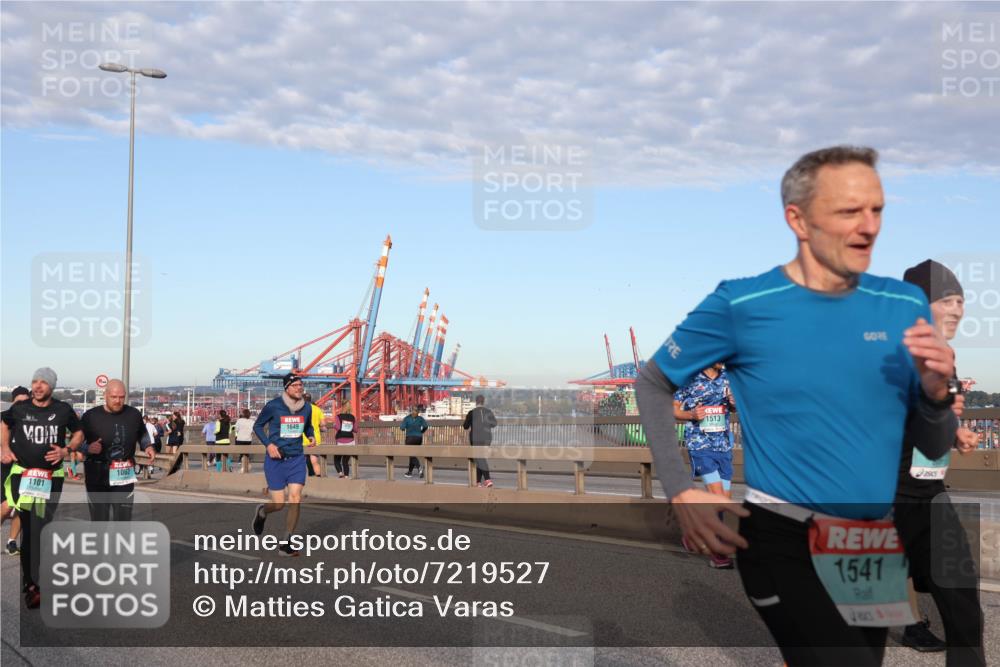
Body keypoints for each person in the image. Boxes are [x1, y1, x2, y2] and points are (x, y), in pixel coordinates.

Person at [635, 146, 958, 666]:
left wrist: (937, 396)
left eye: (876, 209)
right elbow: (651, 382)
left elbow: (932, 444)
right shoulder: (742, 304)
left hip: (871, 539)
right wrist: (679, 489)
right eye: (849, 211)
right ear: (799, 219)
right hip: (785, 535)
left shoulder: (903, 305)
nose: (869, 226)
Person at [893, 259, 984, 665]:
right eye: (947, 300)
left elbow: (944, 408)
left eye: (961, 300)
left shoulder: (945, 354)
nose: (958, 310)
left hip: (929, 493)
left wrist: (956, 429)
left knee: (962, 602)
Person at [0, 368, 84, 609]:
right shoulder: (20, 408)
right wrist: (4, 448)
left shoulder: (63, 410)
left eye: (43, 383)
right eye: (35, 382)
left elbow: (78, 433)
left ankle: (34, 580)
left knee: (41, 529)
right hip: (24, 476)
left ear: (52, 386)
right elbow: (4, 423)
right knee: (30, 527)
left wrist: (66, 450)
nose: (38, 386)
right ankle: (32, 586)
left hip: (51, 477)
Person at [673, 363, 737, 568]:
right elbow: (673, 409)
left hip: (723, 445)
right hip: (700, 446)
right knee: (717, 497)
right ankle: (718, 554)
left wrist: (735, 403)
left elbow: (737, 406)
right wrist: (691, 415)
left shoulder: (729, 377)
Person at [250, 374, 315, 556]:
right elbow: (258, 426)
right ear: (287, 388)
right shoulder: (274, 406)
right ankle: (262, 511)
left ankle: (286, 543)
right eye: (295, 385)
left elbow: (307, 426)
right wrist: (269, 444)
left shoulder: (307, 408)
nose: (299, 388)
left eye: (301, 385)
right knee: (278, 504)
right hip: (276, 460)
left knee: (295, 498)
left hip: (296, 459)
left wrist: (310, 435)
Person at [80, 379, 154, 522]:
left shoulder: (133, 414)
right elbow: (75, 442)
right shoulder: (90, 416)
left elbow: (142, 434)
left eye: (121, 397)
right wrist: (87, 448)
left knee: (123, 520)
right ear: (105, 395)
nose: (118, 401)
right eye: (114, 397)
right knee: (99, 521)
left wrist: (148, 446)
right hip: (97, 473)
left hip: (123, 474)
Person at [1, 386, 29, 556]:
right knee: (6, 507)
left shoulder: (31, 420)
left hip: (24, 469)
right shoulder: (4, 418)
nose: (22, 405)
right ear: (13, 402)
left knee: (21, 506)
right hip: (4, 469)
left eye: (26, 402)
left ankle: (11, 542)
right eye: (19, 402)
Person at [463, 394, 497, 488]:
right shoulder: (488, 411)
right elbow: (494, 424)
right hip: (487, 438)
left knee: (480, 458)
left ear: (476, 402)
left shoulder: (471, 412)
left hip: (476, 438)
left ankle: (487, 479)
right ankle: (478, 481)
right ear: (483, 402)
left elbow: (465, 426)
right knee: (480, 459)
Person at [400, 406, 428, 478]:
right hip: (419, 439)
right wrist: (421, 432)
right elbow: (425, 426)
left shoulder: (406, 418)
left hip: (410, 438)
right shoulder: (420, 418)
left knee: (411, 455)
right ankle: (410, 472)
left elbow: (402, 428)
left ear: (411, 411)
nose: (416, 412)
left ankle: (419, 468)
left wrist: (404, 428)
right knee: (412, 455)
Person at [302, 393, 325, 477]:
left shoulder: (300, 409)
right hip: (315, 438)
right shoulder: (318, 409)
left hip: (303, 438)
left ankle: (300, 480)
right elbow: (323, 424)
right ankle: (318, 478)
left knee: (301, 461)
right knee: (314, 461)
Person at [332, 405, 358, 478]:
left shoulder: (338, 416)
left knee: (336, 459)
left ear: (342, 408)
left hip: (340, 440)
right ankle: (346, 476)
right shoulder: (353, 417)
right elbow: (356, 430)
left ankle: (340, 473)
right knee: (345, 461)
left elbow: (338, 427)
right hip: (350, 441)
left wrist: (334, 425)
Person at [233, 408, 255, 473]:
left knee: (242, 454)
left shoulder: (239, 420)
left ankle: (244, 467)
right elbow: (253, 431)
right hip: (248, 439)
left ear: (243, 414)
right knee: (246, 454)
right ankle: (246, 466)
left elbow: (236, 429)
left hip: (240, 439)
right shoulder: (252, 421)